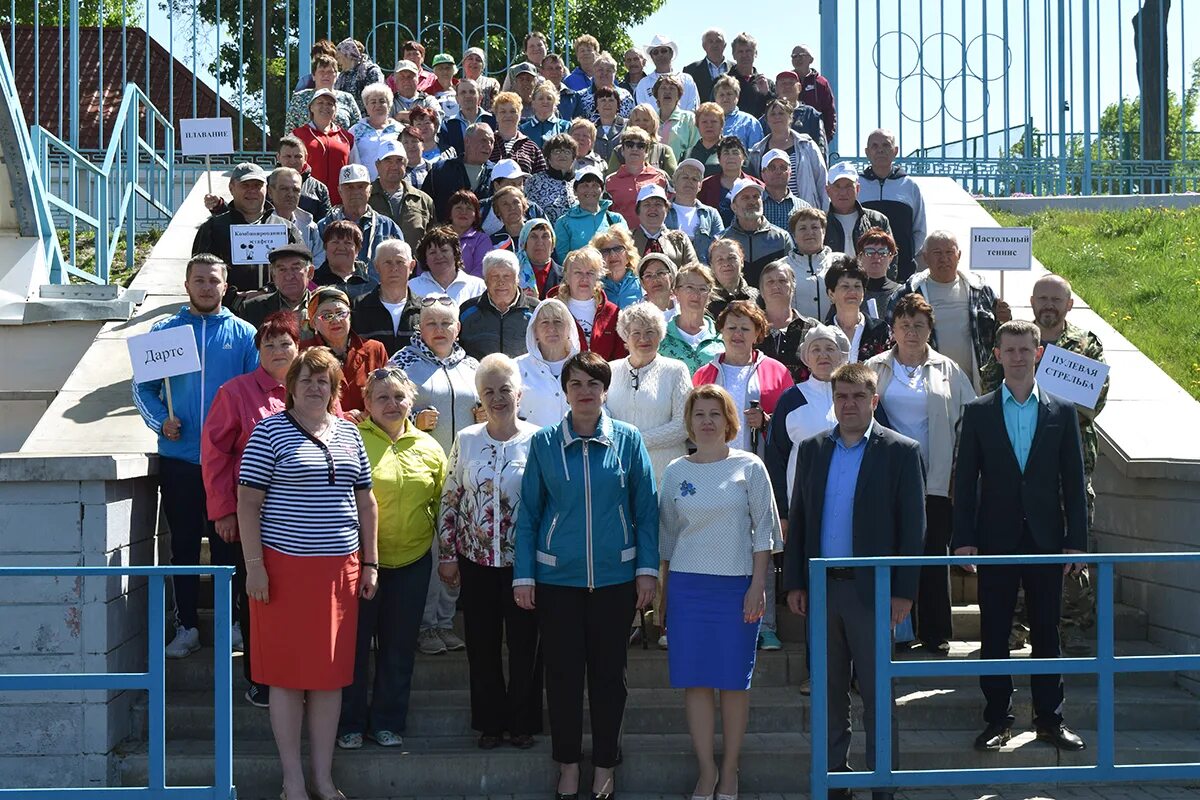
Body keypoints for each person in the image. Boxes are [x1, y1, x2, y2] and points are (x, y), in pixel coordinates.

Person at [513, 351, 660, 800]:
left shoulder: (629, 440)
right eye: (576, 384)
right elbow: (530, 515)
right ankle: (568, 764)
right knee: (561, 675)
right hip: (558, 580)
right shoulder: (543, 444)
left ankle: (605, 765)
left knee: (609, 678)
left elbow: (646, 509)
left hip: (616, 579)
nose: (585, 392)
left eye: (593, 384)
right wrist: (524, 575)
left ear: (605, 389)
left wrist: (647, 570)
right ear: (565, 389)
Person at [235, 346, 379, 800]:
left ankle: (322, 777)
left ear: (335, 389)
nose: (315, 387)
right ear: (291, 387)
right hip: (282, 572)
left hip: (339, 572)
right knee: (286, 675)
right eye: (306, 380)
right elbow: (247, 504)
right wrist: (254, 567)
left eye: (324, 381)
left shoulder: (350, 435)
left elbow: (366, 503)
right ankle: (292, 781)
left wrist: (370, 562)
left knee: (328, 677)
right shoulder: (268, 433)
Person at [781, 363, 925, 800]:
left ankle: (882, 785)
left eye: (858, 396)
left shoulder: (900, 451)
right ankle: (834, 782)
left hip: (874, 592)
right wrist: (795, 582)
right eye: (841, 396)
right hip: (823, 590)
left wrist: (902, 592)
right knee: (828, 696)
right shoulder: (812, 450)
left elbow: (913, 527)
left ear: (874, 401)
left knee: (878, 696)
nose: (849, 404)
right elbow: (802, 519)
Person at [952, 320, 1089, 754]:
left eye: (1024, 350)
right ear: (997, 355)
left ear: (1039, 354)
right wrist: (964, 538)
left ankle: (1050, 719)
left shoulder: (1062, 411)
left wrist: (1076, 541)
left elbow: (1073, 479)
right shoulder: (978, 411)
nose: (1017, 357)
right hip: (995, 539)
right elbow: (966, 480)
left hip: (1047, 541)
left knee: (1047, 632)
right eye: (1008, 350)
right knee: (994, 631)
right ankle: (998, 719)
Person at [133, 254, 259, 659]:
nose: (207, 287)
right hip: (181, 459)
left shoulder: (243, 335)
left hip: (228, 464)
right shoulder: (165, 330)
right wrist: (160, 422)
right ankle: (186, 625)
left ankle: (232, 623)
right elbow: (143, 388)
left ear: (226, 286)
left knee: (231, 548)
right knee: (184, 545)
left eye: (214, 280)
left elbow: (256, 391)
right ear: (187, 285)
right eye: (200, 280)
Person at [660, 383, 780, 800]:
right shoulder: (675, 471)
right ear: (689, 423)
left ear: (728, 420)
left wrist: (757, 586)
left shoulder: (750, 467)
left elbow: (764, 533)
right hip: (688, 589)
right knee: (695, 682)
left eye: (715, 413)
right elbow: (666, 539)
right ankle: (706, 771)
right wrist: (663, 596)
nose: (707, 421)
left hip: (737, 588)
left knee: (733, 682)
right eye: (699, 414)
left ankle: (730, 770)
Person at [978, 274, 1109, 655]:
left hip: (1071, 466)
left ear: (1069, 305)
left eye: (1057, 298)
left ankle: (1068, 629)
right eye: (1043, 298)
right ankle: (1014, 628)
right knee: (1015, 546)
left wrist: (1046, 398)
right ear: (1032, 303)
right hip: (1016, 466)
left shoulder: (1085, 346)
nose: (1049, 304)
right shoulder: (1014, 340)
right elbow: (990, 390)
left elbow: (1094, 402)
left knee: (1071, 550)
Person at [337, 366, 447, 751]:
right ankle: (348, 722)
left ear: (411, 402)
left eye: (399, 397)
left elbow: (442, 505)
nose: (391, 404)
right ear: (365, 403)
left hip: (413, 562)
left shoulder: (430, 448)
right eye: (381, 397)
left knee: (399, 648)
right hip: (359, 563)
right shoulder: (349, 439)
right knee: (353, 649)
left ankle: (386, 721)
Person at [437, 354, 544, 749]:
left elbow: (548, 503)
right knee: (481, 646)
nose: (497, 398)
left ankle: (523, 722)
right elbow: (450, 498)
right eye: (489, 392)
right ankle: (490, 722)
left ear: (518, 393)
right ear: (480, 398)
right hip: (476, 559)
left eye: (504, 390)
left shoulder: (539, 439)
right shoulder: (466, 439)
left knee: (524, 646)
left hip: (523, 563)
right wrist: (448, 554)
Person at [865, 293, 975, 653]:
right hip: (885, 479)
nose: (912, 332)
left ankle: (935, 631)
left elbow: (969, 423)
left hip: (936, 479)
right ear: (893, 329)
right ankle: (896, 632)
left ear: (931, 329)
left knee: (931, 555)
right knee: (890, 552)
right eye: (904, 325)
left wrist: (963, 472)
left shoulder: (948, 369)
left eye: (919, 325)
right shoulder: (874, 368)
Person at [202, 310, 301, 706]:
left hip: (305, 523)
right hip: (252, 520)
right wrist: (224, 510)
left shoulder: (312, 388)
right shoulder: (236, 392)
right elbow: (215, 455)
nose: (278, 350)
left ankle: (298, 672)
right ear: (257, 349)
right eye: (269, 344)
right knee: (259, 599)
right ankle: (260, 677)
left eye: (286, 343)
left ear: (299, 346)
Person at [886, 229, 1010, 390]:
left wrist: (1005, 319)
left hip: (976, 386)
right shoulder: (908, 293)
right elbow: (890, 336)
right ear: (925, 258)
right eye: (937, 253)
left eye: (949, 252)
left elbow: (1001, 336)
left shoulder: (981, 290)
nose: (944, 258)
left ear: (959, 255)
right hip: (924, 386)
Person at [766, 324, 851, 520]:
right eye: (816, 349)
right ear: (806, 358)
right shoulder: (791, 399)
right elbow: (776, 457)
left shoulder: (857, 395)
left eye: (830, 349)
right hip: (802, 504)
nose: (823, 355)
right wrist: (782, 512)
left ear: (842, 355)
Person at [692, 300, 794, 458]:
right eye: (731, 328)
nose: (737, 333)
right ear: (721, 331)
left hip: (762, 463)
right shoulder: (703, 374)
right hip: (713, 464)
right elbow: (691, 422)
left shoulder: (778, 371)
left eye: (745, 329)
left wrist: (766, 422)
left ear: (757, 334)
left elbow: (793, 419)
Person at [606, 301, 694, 483]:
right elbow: (602, 416)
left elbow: (683, 425)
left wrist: (634, 441)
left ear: (660, 335)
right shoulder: (610, 370)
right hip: (621, 473)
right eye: (636, 333)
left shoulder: (676, 370)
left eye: (650, 332)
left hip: (666, 475)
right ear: (625, 337)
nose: (643, 339)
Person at [192, 163, 303, 294]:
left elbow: (301, 272)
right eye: (245, 185)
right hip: (227, 310)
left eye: (257, 186)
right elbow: (199, 276)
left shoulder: (287, 229)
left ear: (266, 189)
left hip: (277, 309)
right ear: (231, 188)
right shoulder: (213, 228)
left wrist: (268, 292)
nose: (252, 191)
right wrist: (235, 298)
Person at [300, 287, 389, 413]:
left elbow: (388, 392)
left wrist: (367, 414)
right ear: (314, 323)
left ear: (350, 316)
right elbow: (300, 402)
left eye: (341, 313)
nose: (335, 320)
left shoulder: (374, 349)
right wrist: (341, 417)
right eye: (327, 316)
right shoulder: (303, 354)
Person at [860, 128, 927, 281]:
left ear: (895, 151)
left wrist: (906, 255)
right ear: (867, 152)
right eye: (875, 146)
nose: (880, 150)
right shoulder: (858, 186)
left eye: (886, 145)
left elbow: (919, 229)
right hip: (865, 270)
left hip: (903, 270)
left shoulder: (909, 186)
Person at [317, 164, 404, 270]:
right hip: (335, 285)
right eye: (349, 187)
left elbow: (401, 263)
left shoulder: (388, 226)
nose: (355, 191)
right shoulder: (324, 226)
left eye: (361, 186)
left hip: (379, 286)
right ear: (340, 191)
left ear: (370, 190)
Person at [551, 246, 627, 360]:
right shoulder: (553, 310)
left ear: (598, 277)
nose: (584, 278)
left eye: (590, 273)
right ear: (567, 277)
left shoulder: (612, 313)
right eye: (578, 272)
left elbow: (620, 357)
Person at [459, 249, 537, 359]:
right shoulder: (466, 311)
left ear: (517, 279)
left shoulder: (536, 310)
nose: (501, 282)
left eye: (507, 276)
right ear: (485, 280)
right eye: (495, 276)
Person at [515, 298, 581, 427]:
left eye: (558, 322)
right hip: (530, 445)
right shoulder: (516, 368)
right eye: (544, 322)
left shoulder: (585, 367)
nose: (551, 328)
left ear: (569, 328)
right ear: (535, 331)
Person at [748, 101, 826, 209]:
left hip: (805, 212)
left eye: (781, 113)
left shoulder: (807, 145)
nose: (777, 117)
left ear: (790, 117)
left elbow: (822, 180)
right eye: (773, 114)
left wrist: (825, 211)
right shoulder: (757, 151)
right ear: (766, 119)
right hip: (769, 211)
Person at [351, 239, 422, 353]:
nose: (394, 268)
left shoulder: (423, 310)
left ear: (412, 266)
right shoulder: (358, 307)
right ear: (377, 266)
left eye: (400, 262)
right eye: (387, 262)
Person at [719, 178, 791, 288]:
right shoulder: (721, 240)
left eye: (756, 197)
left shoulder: (782, 238)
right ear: (734, 207)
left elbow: (791, 276)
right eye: (745, 198)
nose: (752, 201)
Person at [658, 263, 725, 374]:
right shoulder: (661, 336)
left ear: (709, 295)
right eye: (689, 287)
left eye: (702, 289)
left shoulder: (721, 335)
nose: (696, 295)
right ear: (676, 293)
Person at [293, 89, 356, 206]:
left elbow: (355, 168)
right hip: (307, 201)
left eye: (329, 104)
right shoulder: (298, 135)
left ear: (335, 110)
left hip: (340, 202)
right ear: (311, 108)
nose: (325, 107)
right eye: (320, 103)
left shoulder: (347, 137)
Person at [422, 123, 497, 221]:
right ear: (467, 141)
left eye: (492, 142)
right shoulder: (440, 170)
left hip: (483, 235)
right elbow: (424, 206)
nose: (488, 146)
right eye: (484, 140)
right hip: (447, 234)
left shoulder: (496, 174)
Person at [369, 139, 436, 247]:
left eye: (399, 160)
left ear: (406, 163)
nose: (394, 166)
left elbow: (432, 242)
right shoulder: (365, 198)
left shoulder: (423, 200)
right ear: (377, 164)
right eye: (388, 160)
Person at [237, 242, 314, 333]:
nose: (289, 276)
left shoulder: (324, 304)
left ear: (310, 273)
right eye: (282, 270)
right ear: (273, 276)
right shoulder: (252, 309)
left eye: (295, 268)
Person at [825, 257, 890, 363]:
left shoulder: (881, 330)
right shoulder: (822, 333)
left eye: (857, 286)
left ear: (863, 293)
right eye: (845, 286)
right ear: (831, 294)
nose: (852, 291)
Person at [824, 161, 892, 262]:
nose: (843, 192)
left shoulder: (877, 220)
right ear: (827, 190)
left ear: (858, 188)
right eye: (837, 186)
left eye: (848, 186)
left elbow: (890, 256)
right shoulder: (820, 223)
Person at [553, 167, 625, 262]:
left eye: (595, 185)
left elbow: (626, 251)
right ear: (575, 191)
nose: (590, 190)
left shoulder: (616, 219)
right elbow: (563, 260)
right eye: (585, 185)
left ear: (602, 190)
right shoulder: (563, 223)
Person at [605, 126, 670, 228]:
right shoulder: (610, 180)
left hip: (653, 237)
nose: (635, 149)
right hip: (622, 238)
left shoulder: (661, 177)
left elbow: (670, 208)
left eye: (641, 146)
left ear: (647, 152)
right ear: (622, 150)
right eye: (629, 144)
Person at [407, 225, 487, 305]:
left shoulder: (478, 287)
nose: (439, 256)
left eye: (444, 250)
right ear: (425, 258)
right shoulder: (412, 287)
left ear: (455, 254)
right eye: (432, 252)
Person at [264, 166, 324, 270]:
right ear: (270, 192)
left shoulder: (309, 225)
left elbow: (319, 259)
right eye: (284, 189)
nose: (290, 194)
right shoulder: (261, 225)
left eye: (296, 190)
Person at [666, 159, 724, 264]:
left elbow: (720, 247)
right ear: (674, 182)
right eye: (685, 177)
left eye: (694, 179)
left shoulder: (711, 214)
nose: (689, 181)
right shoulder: (663, 211)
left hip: (704, 274)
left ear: (700, 186)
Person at [784, 207, 836, 321]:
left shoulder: (840, 262)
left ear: (824, 231)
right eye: (802, 228)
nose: (809, 232)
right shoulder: (782, 267)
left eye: (815, 227)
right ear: (794, 235)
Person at [285, 53, 360, 132]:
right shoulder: (299, 98)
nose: (326, 75)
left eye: (330, 72)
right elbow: (290, 130)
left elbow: (358, 130)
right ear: (313, 76)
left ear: (336, 76)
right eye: (322, 71)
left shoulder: (347, 98)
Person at [699, 135, 761, 225]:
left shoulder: (758, 185)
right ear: (719, 159)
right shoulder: (705, 186)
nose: (731, 157)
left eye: (735, 153)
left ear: (743, 158)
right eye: (726, 153)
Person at [630, 184, 697, 266]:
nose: (653, 208)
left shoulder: (680, 239)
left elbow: (694, 269)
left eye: (658, 204)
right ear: (638, 211)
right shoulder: (627, 239)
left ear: (666, 209)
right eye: (647, 204)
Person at [771, 71, 828, 162]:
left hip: (805, 170)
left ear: (799, 87)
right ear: (776, 88)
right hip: (774, 171)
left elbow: (821, 148)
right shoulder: (769, 116)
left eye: (791, 83)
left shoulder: (812, 115)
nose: (787, 86)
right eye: (783, 83)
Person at [349, 84, 403, 180]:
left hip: (394, 182)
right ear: (366, 106)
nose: (378, 105)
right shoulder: (355, 131)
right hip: (364, 184)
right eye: (373, 102)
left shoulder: (400, 129)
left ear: (389, 105)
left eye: (382, 101)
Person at [313, 219, 376, 301]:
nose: (341, 248)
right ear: (325, 247)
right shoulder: (313, 282)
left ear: (357, 249)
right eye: (335, 242)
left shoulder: (372, 286)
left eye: (348, 243)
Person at [753, 148, 814, 232]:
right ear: (763, 173)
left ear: (790, 173)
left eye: (783, 167)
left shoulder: (804, 207)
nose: (778, 171)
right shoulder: (752, 206)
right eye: (772, 167)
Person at [634, 34, 700, 111]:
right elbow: (642, 113)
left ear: (671, 53)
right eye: (655, 52)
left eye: (663, 51)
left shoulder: (687, 80)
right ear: (652, 57)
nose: (660, 54)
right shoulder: (644, 84)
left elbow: (693, 107)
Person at [608, 103, 679, 175]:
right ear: (631, 124)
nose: (641, 124)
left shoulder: (664, 151)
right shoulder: (619, 151)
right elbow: (611, 180)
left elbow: (674, 180)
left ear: (654, 123)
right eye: (637, 120)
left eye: (645, 120)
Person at [276, 134, 333, 220]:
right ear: (278, 157)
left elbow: (326, 224)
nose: (292, 161)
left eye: (298, 156)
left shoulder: (319, 189)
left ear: (306, 157)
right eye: (288, 156)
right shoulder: (266, 185)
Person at [524, 134, 578, 224]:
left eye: (567, 152)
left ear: (573, 158)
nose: (562, 155)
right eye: (557, 151)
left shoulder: (581, 180)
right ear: (548, 158)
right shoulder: (535, 181)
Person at [491, 92, 547, 174]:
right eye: (503, 111)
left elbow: (541, 177)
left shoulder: (531, 147)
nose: (508, 115)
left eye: (513, 111)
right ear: (496, 115)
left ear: (520, 115)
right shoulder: (487, 143)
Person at [439, 79, 499, 156]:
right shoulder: (447, 125)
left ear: (480, 97)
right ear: (457, 99)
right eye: (463, 92)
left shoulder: (493, 120)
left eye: (472, 92)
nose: (467, 96)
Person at [791, 44, 837, 143]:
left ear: (811, 59)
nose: (798, 59)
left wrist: (826, 137)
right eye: (794, 56)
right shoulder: (786, 82)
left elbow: (829, 112)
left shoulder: (821, 83)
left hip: (815, 138)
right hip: (790, 139)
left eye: (801, 55)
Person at [591, 225, 645, 309]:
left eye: (617, 249)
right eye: (605, 251)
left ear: (628, 253)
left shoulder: (643, 284)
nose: (612, 255)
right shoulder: (594, 287)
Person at [444, 189, 491, 278]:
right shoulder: (436, 237)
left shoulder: (482, 240)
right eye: (458, 208)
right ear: (450, 214)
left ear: (475, 216)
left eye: (469, 208)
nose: (463, 212)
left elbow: (481, 269)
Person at [705, 236, 757, 315]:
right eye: (720, 259)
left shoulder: (757, 296)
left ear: (742, 262)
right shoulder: (705, 299)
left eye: (731, 258)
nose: (726, 264)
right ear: (712, 266)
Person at [727, 32, 774, 119]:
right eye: (740, 51)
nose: (744, 55)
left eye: (748, 51)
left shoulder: (766, 83)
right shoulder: (723, 82)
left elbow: (776, 112)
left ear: (755, 53)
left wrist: (767, 94)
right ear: (733, 55)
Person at [578, 53, 636, 124]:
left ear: (615, 73)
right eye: (600, 70)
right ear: (593, 72)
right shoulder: (580, 96)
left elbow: (632, 121)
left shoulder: (626, 96)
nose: (604, 73)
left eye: (608, 70)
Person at [515, 217, 564, 300]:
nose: (539, 242)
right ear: (524, 244)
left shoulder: (566, 276)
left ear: (553, 245)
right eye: (533, 236)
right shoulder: (514, 275)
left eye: (545, 236)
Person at [653, 75, 699, 162]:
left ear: (679, 95)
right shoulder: (650, 119)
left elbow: (695, 149)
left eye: (672, 88)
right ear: (657, 95)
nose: (667, 91)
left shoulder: (689, 119)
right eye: (663, 88)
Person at [857, 228, 902, 316]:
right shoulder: (852, 291)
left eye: (882, 252)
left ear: (890, 257)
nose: (876, 256)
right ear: (860, 257)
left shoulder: (901, 293)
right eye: (870, 252)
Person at [333, 37, 385, 111]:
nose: (338, 62)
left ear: (347, 55)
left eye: (338, 58)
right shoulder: (343, 75)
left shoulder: (370, 71)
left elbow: (377, 95)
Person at [683, 28, 732, 104]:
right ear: (704, 46)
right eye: (710, 41)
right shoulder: (690, 70)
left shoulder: (735, 68)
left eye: (718, 41)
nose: (715, 45)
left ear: (724, 45)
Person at [520, 81, 571, 148]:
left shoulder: (566, 127)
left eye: (549, 98)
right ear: (533, 103)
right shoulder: (523, 129)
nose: (545, 102)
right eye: (541, 98)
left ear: (555, 103)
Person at [637, 252, 680, 322]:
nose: (655, 279)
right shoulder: (635, 316)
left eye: (660, 273)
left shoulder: (685, 309)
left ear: (671, 277)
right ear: (643, 283)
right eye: (648, 275)